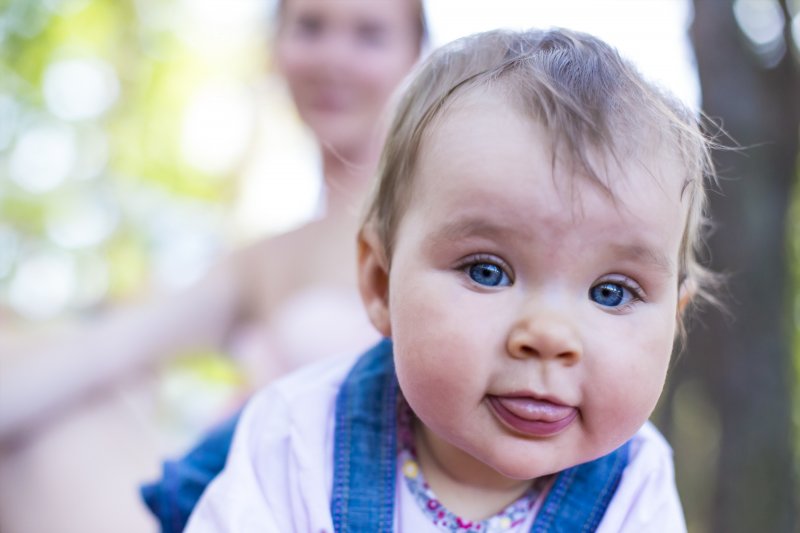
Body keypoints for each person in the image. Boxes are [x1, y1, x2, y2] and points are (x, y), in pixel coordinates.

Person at [182, 27, 718, 532]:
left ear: (674, 319)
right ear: (378, 281)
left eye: (611, 292)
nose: (550, 335)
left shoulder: (633, 487)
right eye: (487, 272)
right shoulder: (298, 438)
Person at [0, 0, 425, 532]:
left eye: (369, 35)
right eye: (311, 27)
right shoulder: (265, 260)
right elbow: (102, 351)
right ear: (276, 48)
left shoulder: (439, 224)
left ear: (417, 58)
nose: (333, 58)